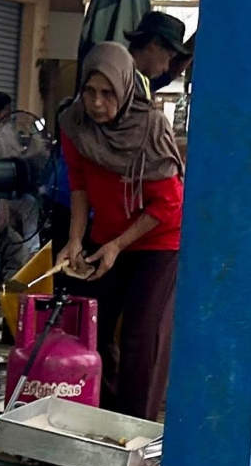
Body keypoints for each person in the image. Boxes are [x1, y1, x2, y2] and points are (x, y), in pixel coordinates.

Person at [57, 43, 185, 422]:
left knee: (141, 337)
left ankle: (136, 429)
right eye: (90, 92)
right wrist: (76, 239)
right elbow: (79, 185)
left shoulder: (149, 129)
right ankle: (101, 417)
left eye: (108, 93)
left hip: (158, 240)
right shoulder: (75, 123)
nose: (97, 103)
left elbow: (169, 205)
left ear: (126, 89)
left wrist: (116, 245)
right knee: (88, 326)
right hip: (107, 233)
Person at [0, 91, 49, 283]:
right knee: (30, 207)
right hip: (6, 192)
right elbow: (15, 158)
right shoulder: (0, 133)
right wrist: (34, 149)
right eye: (5, 110)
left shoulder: (7, 130)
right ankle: (32, 254)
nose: (9, 113)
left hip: (12, 190)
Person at [126, 11, 193, 95]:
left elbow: (172, 71)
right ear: (153, 44)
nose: (166, 67)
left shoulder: (139, 81)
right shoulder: (122, 82)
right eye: (169, 56)